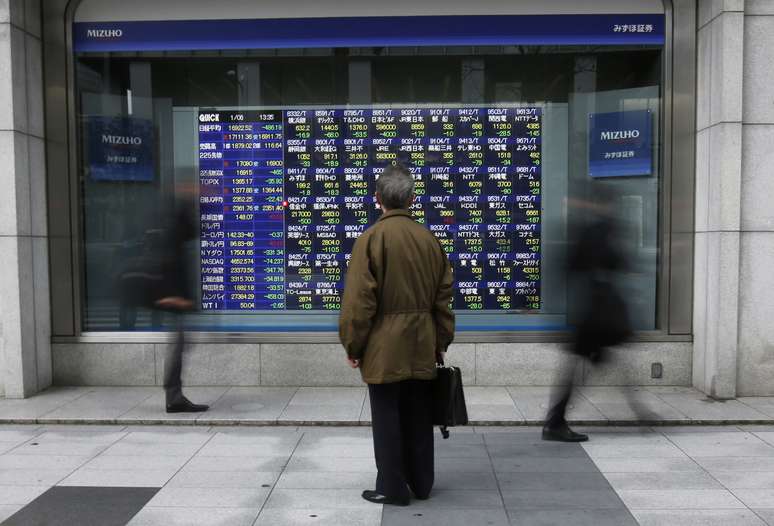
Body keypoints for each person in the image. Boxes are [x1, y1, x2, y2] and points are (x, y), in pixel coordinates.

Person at [339, 163, 455, 506]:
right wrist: (440, 341)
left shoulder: (370, 240)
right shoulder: (429, 239)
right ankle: (421, 482)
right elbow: (443, 298)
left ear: (377, 199)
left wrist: (353, 344)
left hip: (382, 345)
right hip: (422, 342)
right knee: (419, 413)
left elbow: (359, 302)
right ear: (413, 199)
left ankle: (392, 487)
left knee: (387, 416)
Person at [542, 196, 632, 442]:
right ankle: (555, 421)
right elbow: (621, 263)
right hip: (597, 316)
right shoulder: (602, 230)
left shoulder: (588, 230)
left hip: (593, 314)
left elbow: (569, 267)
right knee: (587, 367)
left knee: (589, 365)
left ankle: (556, 419)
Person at [155, 192, 209, 414]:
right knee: (177, 345)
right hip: (173, 301)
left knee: (180, 344)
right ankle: (173, 396)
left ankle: (173, 394)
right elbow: (168, 268)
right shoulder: (173, 240)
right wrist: (175, 297)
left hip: (176, 300)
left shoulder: (175, 237)